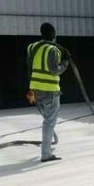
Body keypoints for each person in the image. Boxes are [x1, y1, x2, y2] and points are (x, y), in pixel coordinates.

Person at [26, 22, 70, 162]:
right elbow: (54, 71)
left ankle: (47, 147)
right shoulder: (53, 49)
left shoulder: (32, 47)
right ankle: (46, 154)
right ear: (53, 34)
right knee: (49, 122)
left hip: (34, 90)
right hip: (49, 91)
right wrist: (65, 62)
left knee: (47, 120)